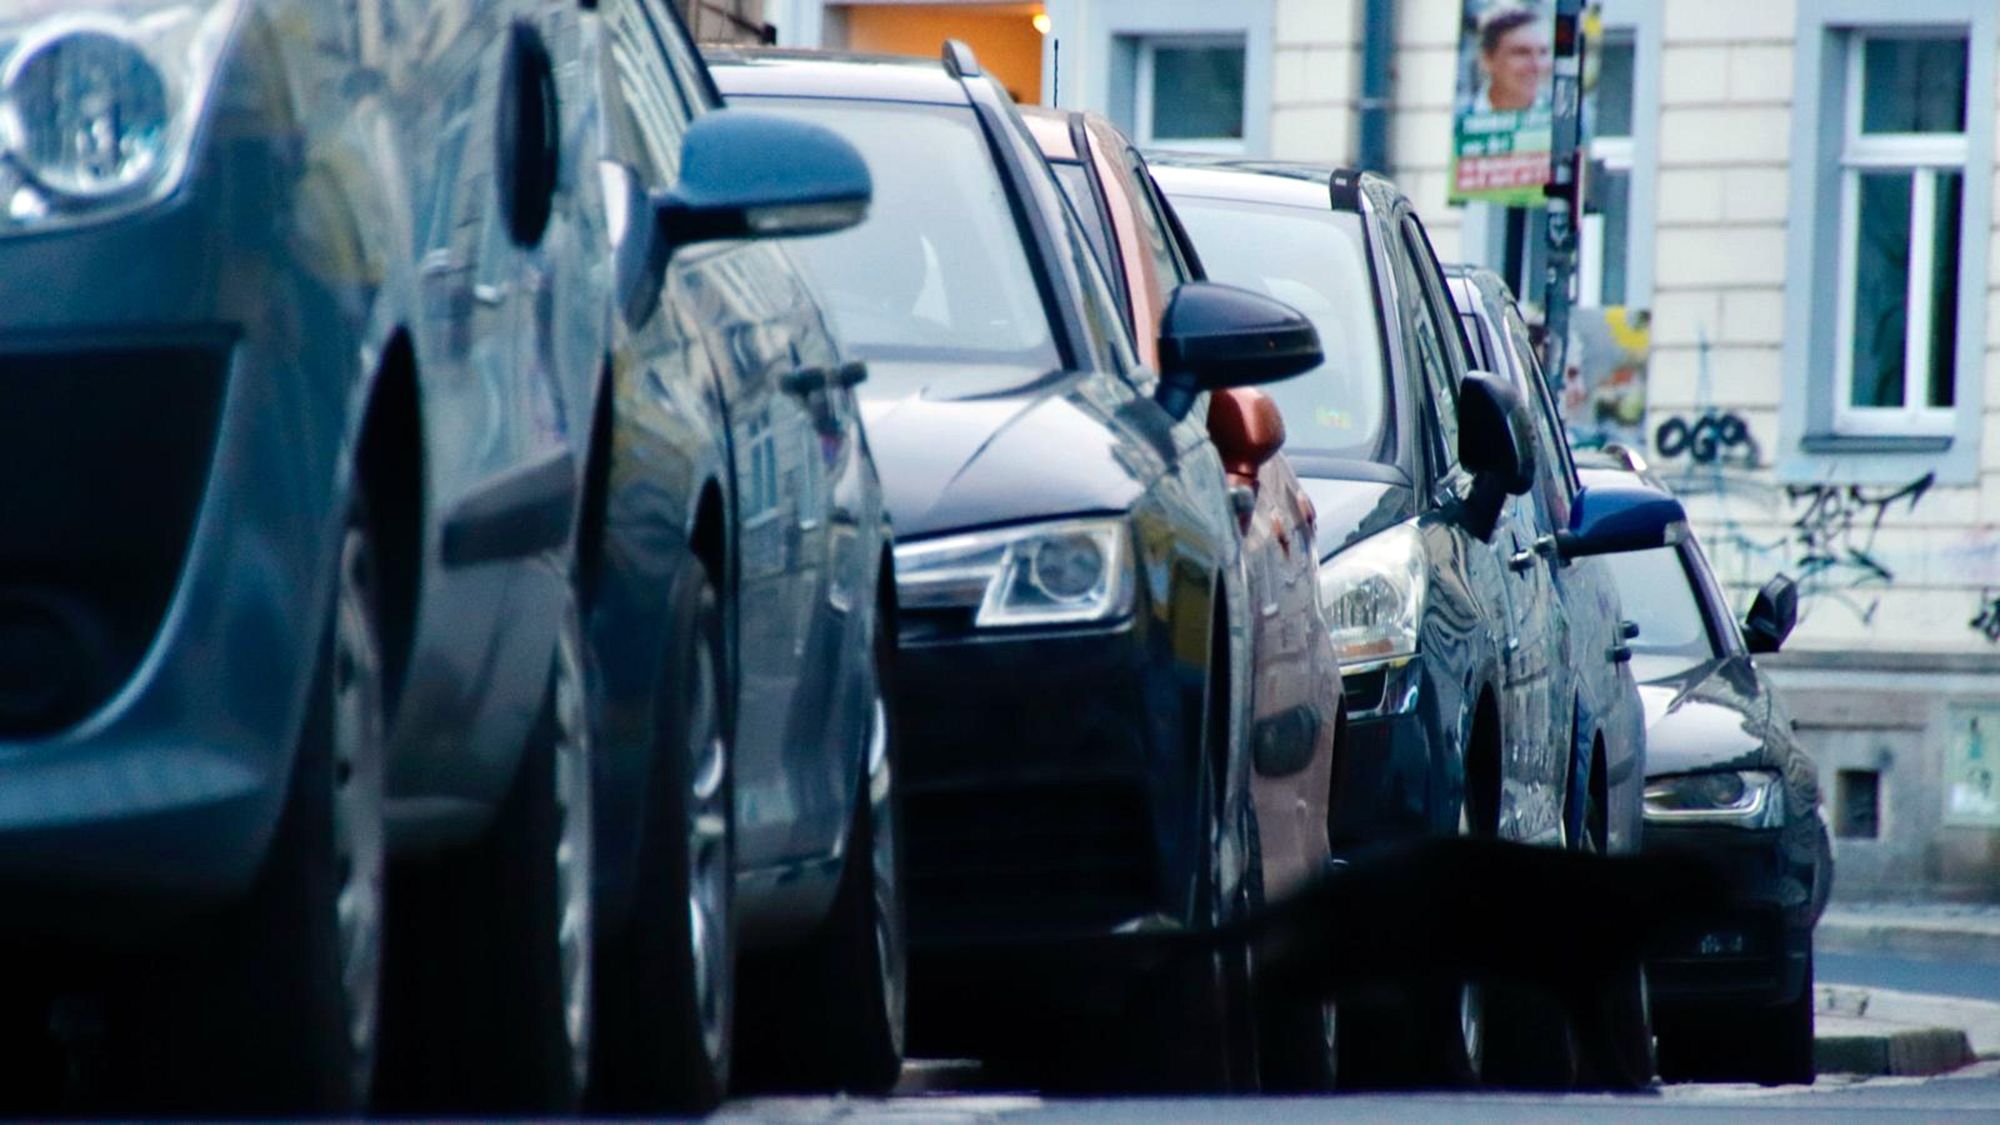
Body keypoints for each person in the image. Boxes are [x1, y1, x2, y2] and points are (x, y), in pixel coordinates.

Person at [1474, 4, 1551, 113]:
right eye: (1522, 53)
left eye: (1543, 52)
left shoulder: (1563, 116)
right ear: (1487, 60)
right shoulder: (1457, 118)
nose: (1537, 65)